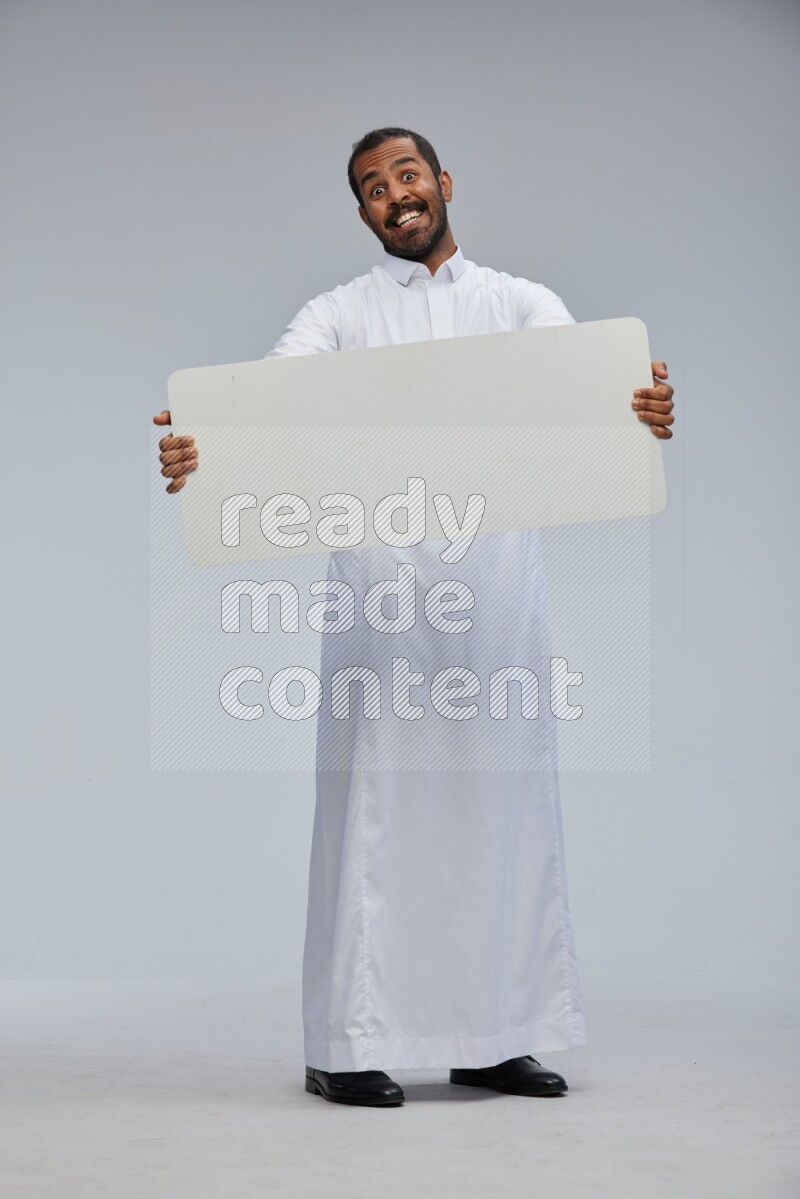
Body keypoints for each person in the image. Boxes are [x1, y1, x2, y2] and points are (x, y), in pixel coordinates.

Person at [154, 127, 675, 1108]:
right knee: (371, 825)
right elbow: (261, 409)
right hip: (381, 610)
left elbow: (590, 393)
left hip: (495, 609)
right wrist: (202, 451)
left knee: (499, 812)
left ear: (441, 183)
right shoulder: (338, 315)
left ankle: (495, 1033)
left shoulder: (515, 302)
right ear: (361, 215)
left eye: (403, 174)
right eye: (369, 187)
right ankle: (343, 1041)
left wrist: (637, 408)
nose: (391, 193)